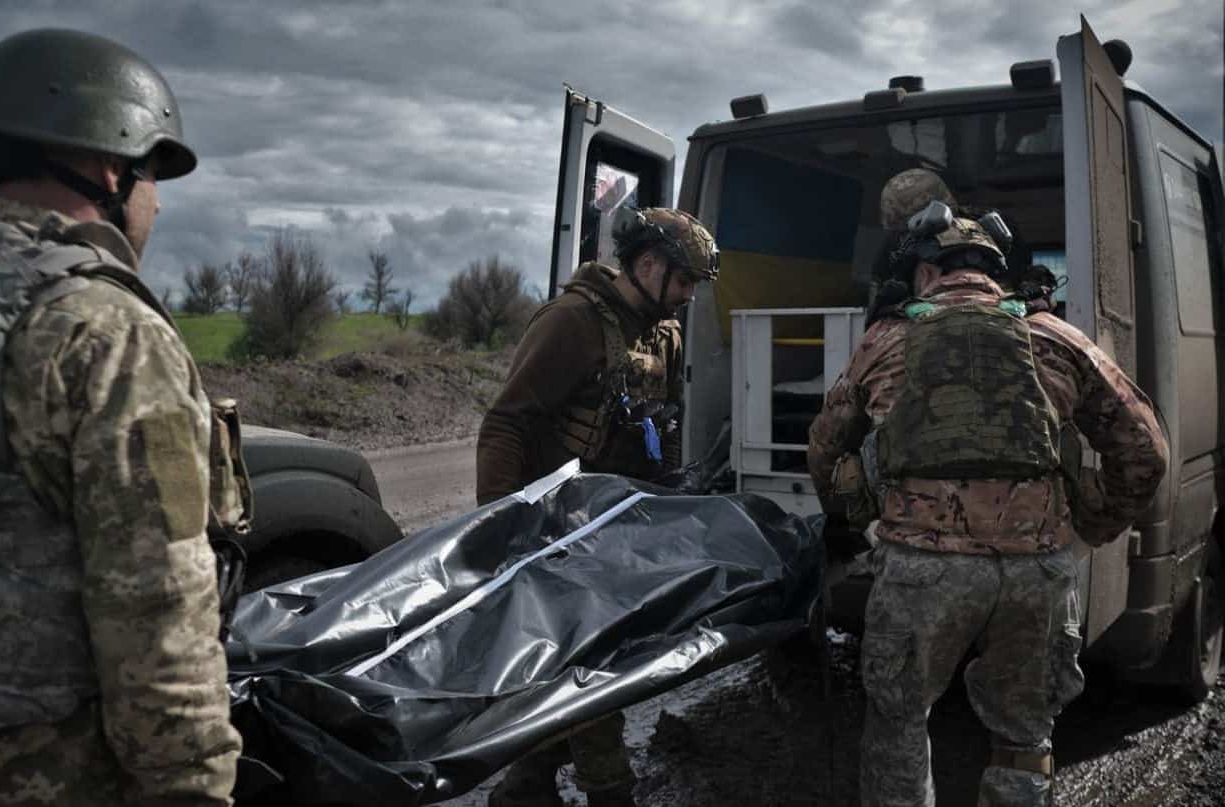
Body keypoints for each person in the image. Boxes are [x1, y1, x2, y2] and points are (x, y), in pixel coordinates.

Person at [0, 29, 242, 805]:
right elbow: (160, 635)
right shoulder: (105, 334)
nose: (156, 200)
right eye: (151, 174)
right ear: (110, 168)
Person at [808, 171, 1168, 807]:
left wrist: (852, 515)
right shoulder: (1056, 338)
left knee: (900, 722)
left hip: (921, 570)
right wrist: (1092, 526)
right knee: (1024, 733)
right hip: (1036, 572)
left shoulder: (885, 339)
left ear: (924, 274)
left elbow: (825, 445)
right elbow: (1145, 452)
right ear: (997, 273)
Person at [476, 207, 720, 807]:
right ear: (647, 265)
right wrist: (504, 528)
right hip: (554, 528)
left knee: (591, 660)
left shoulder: (662, 331)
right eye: (685, 280)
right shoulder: (572, 322)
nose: (690, 296)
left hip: (616, 524)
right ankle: (611, 792)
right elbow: (506, 425)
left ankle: (526, 784)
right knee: (592, 668)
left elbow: (660, 425)